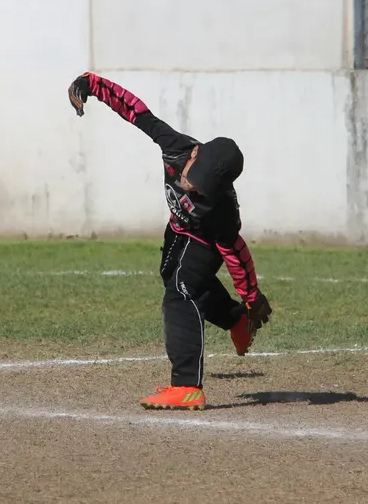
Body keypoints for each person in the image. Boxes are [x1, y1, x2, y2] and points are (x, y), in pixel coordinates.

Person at [69, 72, 273, 410]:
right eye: (196, 175)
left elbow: (235, 252)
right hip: (178, 230)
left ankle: (186, 385)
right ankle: (234, 320)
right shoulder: (176, 145)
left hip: (204, 242)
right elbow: (135, 111)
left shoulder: (220, 211)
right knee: (174, 277)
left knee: (180, 290)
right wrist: (90, 84)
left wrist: (252, 297)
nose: (193, 185)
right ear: (195, 155)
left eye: (204, 184)